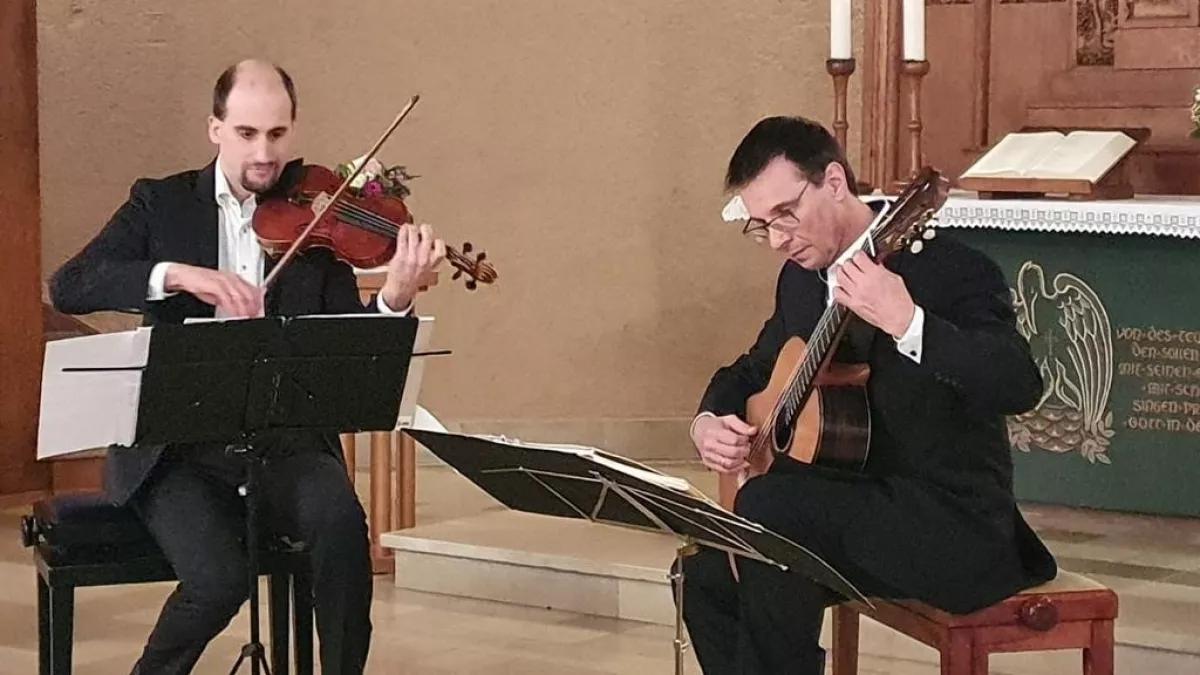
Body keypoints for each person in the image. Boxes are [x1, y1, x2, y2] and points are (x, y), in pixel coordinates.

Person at [50, 59, 443, 675]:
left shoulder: (318, 217)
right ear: (215, 128)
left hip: (283, 441)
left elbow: (348, 338)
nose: (265, 153)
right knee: (218, 581)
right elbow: (69, 285)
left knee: (342, 531)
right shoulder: (162, 204)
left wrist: (396, 295)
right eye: (246, 134)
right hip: (175, 446)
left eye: (278, 135)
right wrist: (176, 274)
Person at [680, 116, 1057, 674]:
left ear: (834, 181)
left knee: (767, 509)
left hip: (949, 523)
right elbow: (752, 370)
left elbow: (1019, 383)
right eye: (761, 225)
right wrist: (708, 421)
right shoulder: (801, 279)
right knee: (704, 571)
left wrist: (909, 322)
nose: (778, 239)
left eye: (786, 214)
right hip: (845, 514)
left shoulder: (948, 268)